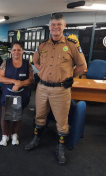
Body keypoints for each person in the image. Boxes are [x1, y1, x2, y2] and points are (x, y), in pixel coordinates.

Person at [25, 13, 87, 165]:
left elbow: (82, 66)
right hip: (42, 88)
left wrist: (68, 77)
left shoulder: (72, 45)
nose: (56, 27)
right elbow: (35, 62)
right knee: (39, 116)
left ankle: (60, 148)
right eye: (53, 25)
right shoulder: (43, 45)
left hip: (61, 90)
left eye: (59, 24)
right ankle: (36, 139)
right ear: (49, 27)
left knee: (61, 121)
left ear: (64, 26)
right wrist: (43, 71)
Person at [0, 42, 33, 146]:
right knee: (5, 115)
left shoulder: (28, 64)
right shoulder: (6, 63)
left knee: (18, 115)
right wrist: (15, 81)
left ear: (22, 51)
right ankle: (5, 135)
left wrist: (20, 83)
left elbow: (31, 80)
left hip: (22, 94)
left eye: (19, 50)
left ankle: (14, 134)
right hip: (7, 93)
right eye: (14, 50)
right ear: (11, 51)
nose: (16, 52)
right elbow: (1, 78)